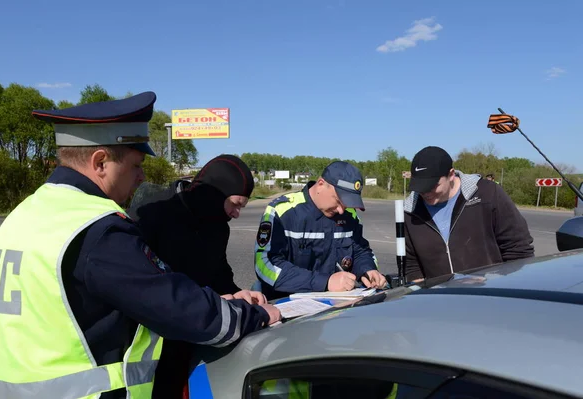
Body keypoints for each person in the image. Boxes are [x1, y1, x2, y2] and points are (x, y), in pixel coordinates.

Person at [0, 92, 280, 399]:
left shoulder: (27, 211)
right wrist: (252, 315)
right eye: (137, 165)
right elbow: (173, 305)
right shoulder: (97, 229)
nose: (141, 177)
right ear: (100, 162)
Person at [128, 154, 266, 397]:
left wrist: (236, 293)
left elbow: (219, 272)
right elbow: (145, 285)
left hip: (197, 330)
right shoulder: (155, 211)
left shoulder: (217, 226)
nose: (236, 214)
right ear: (215, 193)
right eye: (235, 204)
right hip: (152, 341)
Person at [254, 161, 387, 300]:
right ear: (321, 184)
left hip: (338, 307)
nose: (341, 210)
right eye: (338, 200)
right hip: (288, 305)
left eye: (346, 204)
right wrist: (325, 282)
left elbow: (360, 251)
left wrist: (367, 270)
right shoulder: (282, 211)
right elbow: (265, 264)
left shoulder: (350, 216)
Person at [403, 146, 534, 282]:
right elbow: (413, 267)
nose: (425, 192)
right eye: (420, 186)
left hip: (491, 295)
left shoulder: (487, 194)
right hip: (440, 299)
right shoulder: (410, 211)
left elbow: (519, 250)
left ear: (451, 174)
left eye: (432, 185)